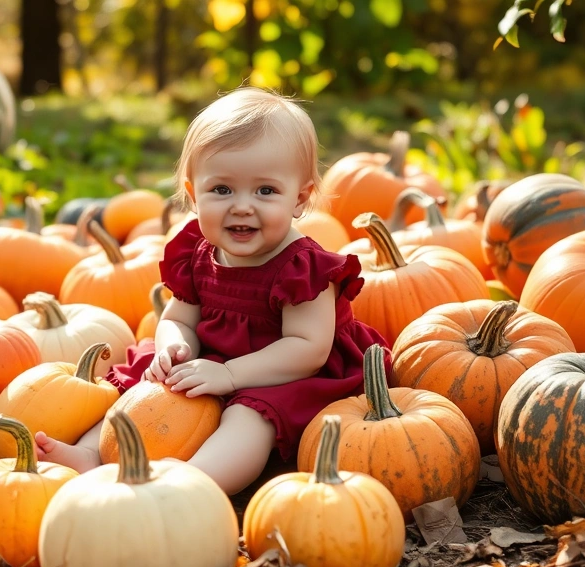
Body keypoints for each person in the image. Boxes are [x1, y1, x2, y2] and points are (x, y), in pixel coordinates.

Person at [34, 86, 389, 495]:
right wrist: (174, 347)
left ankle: (193, 485)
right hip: (214, 361)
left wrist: (230, 374)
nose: (242, 206)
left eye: (266, 191)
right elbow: (178, 318)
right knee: (148, 389)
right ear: (193, 194)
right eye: (222, 190)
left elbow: (307, 350)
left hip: (283, 375)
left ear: (300, 199)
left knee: (249, 417)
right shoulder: (198, 254)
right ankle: (94, 454)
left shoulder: (302, 268)